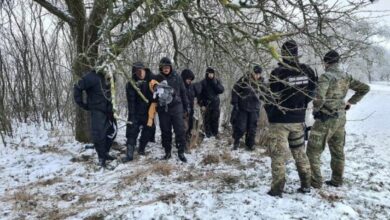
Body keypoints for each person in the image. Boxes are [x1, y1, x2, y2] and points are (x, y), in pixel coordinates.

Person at [306, 50, 370, 188]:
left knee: (313, 151)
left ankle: (316, 182)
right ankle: (337, 180)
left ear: (326, 62)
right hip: (341, 118)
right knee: (337, 151)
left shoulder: (326, 77)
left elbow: (320, 98)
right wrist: (350, 102)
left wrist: (316, 110)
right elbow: (365, 88)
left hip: (326, 118)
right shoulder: (346, 76)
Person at [265, 40, 317, 197]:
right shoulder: (307, 71)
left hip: (280, 121)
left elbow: (272, 96)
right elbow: (312, 93)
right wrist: (300, 106)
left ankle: (277, 190)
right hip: (298, 120)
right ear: (296, 53)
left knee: (278, 156)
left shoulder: (278, 73)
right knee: (300, 153)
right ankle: (306, 185)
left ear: (282, 54)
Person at [73, 69, 117, 168]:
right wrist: (82, 103)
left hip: (109, 110)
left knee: (112, 131)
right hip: (97, 110)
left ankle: (105, 153)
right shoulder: (92, 76)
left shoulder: (110, 75)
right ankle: (101, 159)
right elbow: (77, 87)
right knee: (99, 135)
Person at [151, 57, 189, 162]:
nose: (166, 69)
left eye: (168, 67)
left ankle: (181, 152)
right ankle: (167, 152)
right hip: (163, 109)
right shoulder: (157, 78)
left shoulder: (177, 77)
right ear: (161, 68)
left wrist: (187, 107)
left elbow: (183, 93)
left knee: (180, 130)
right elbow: (152, 92)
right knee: (165, 131)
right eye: (164, 67)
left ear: (171, 67)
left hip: (177, 107)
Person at [123, 62, 155, 162]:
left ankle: (141, 148)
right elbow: (131, 101)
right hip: (135, 112)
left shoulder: (151, 82)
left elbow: (154, 97)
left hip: (148, 112)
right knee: (131, 131)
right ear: (134, 73)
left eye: (142, 71)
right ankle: (129, 154)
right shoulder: (131, 84)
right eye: (138, 72)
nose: (140, 73)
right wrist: (132, 115)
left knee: (148, 129)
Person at [231, 65, 265, 151]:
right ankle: (236, 142)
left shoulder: (262, 83)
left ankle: (250, 144)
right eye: (255, 73)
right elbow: (235, 89)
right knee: (241, 126)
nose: (257, 76)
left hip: (255, 108)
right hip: (243, 107)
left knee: (252, 127)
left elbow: (265, 95)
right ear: (252, 72)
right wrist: (235, 102)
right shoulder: (244, 79)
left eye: (259, 74)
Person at [197, 67, 224, 138]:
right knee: (207, 119)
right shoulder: (202, 82)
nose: (211, 75)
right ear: (207, 74)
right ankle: (208, 134)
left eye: (212, 73)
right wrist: (201, 104)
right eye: (209, 73)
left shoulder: (216, 81)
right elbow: (199, 95)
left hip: (215, 104)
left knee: (215, 118)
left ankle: (215, 133)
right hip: (206, 104)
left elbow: (221, 90)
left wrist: (214, 84)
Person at [181, 69, 196, 150]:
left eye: (190, 79)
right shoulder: (180, 87)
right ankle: (183, 145)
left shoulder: (191, 87)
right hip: (182, 111)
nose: (189, 81)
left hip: (190, 111)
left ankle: (186, 141)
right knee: (184, 128)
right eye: (188, 79)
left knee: (189, 128)